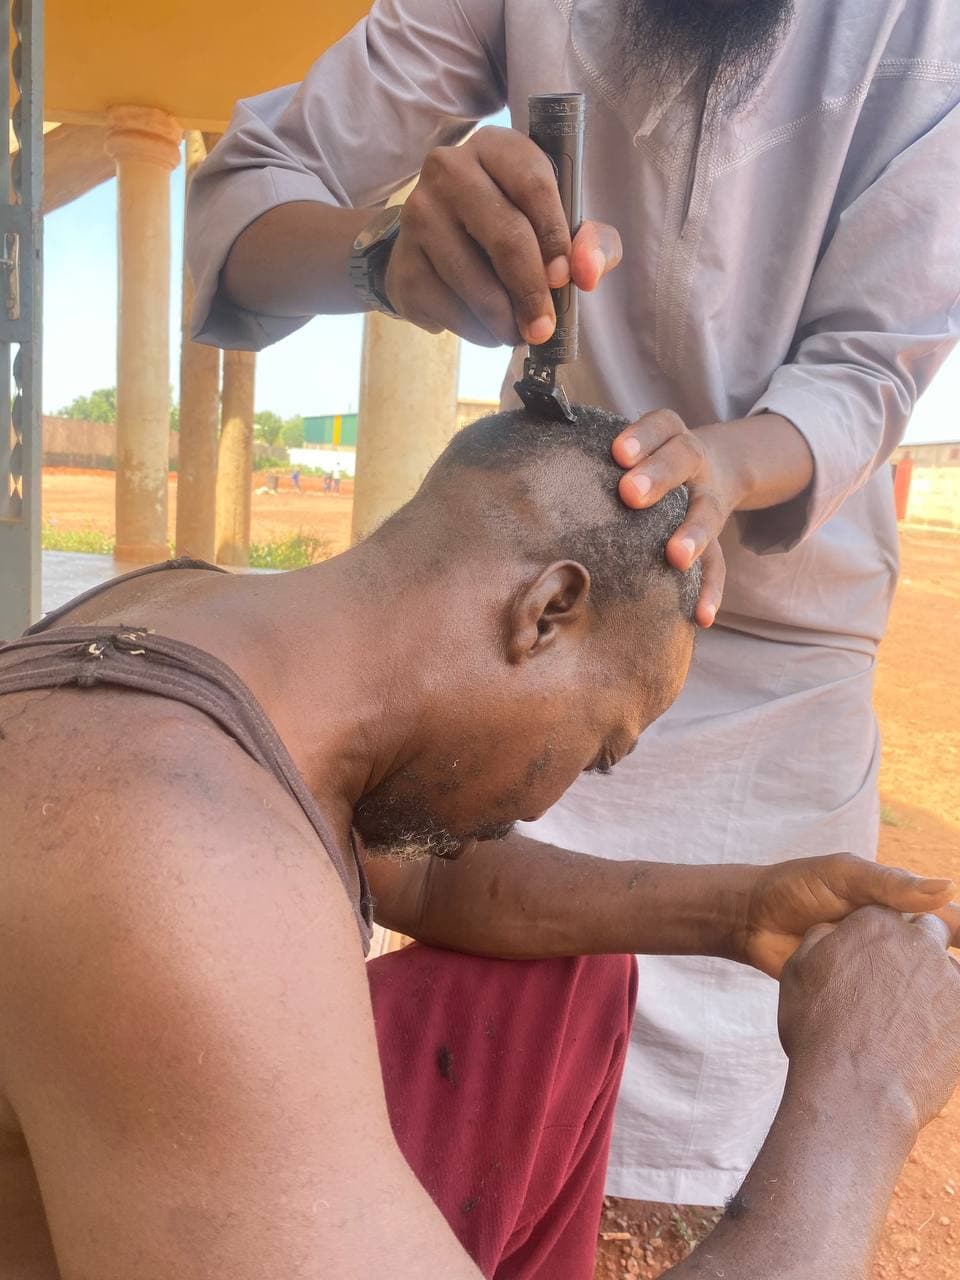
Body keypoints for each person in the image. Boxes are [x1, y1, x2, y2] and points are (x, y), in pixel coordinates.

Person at [186, 0, 960, 1205]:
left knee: (687, 1153)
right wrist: (381, 254)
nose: (586, 795)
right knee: (508, 1102)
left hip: (782, 650)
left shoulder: (928, 31)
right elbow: (239, 205)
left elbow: (870, 366)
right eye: (602, 761)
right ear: (541, 610)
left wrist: (729, 468)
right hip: (558, 654)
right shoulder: (204, 831)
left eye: (606, 759)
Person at [0, 407, 958, 1280]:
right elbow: (208, 877)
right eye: (598, 748)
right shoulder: (184, 864)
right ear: (545, 612)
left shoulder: (203, 629)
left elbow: (431, 883)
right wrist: (861, 1091)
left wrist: (741, 911)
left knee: (574, 978)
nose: (547, 803)